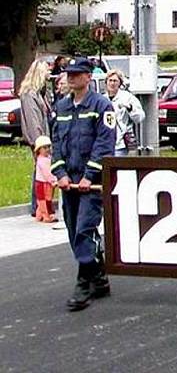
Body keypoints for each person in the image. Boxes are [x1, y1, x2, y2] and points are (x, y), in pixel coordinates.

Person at [51, 57, 115, 311]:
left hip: (92, 181)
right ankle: (99, 278)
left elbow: (104, 144)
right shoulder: (61, 107)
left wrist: (90, 175)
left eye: (77, 74)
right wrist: (60, 174)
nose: (71, 77)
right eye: (69, 74)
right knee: (72, 229)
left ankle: (83, 283)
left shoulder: (101, 106)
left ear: (89, 77)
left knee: (84, 229)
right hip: (69, 181)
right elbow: (56, 143)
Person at [19, 60, 52, 217]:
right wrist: (41, 143)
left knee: (41, 172)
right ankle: (38, 206)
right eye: (46, 71)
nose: (48, 74)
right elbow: (33, 121)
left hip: (43, 138)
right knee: (40, 173)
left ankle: (42, 206)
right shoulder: (30, 94)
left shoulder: (41, 93)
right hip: (39, 140)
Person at [103, 69, 144, 156]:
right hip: (105, 143)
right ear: (106, 82)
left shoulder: (127, 97)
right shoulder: (102, 99)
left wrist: (130, 109)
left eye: (115, 81)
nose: (112, 83)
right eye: (110, 80)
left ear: (120, 83)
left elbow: (140, 117)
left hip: (121, 145)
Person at [33, 135, 57, 223]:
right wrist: (53, 180)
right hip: (42, 183)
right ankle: (46, 216)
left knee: (46, 199)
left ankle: (39, 216)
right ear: (39, 149)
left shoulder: (48, 158)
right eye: (44, 147)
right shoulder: (41, 160)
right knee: (44, 200)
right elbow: (47, 173)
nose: (47, 149)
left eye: (48, 147)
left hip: (47, 182)